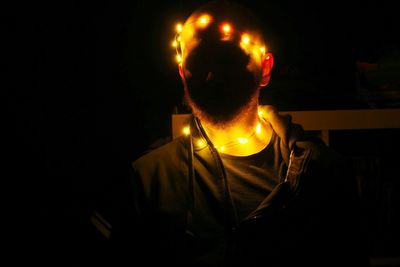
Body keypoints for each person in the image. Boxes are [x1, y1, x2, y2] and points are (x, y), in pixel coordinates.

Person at [112, 1, 370, 266]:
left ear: (265, 67)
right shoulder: (149, 180)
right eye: (199, 60)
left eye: (229, 58)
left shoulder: (323, 173)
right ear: (182, 72)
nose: (212, 76)